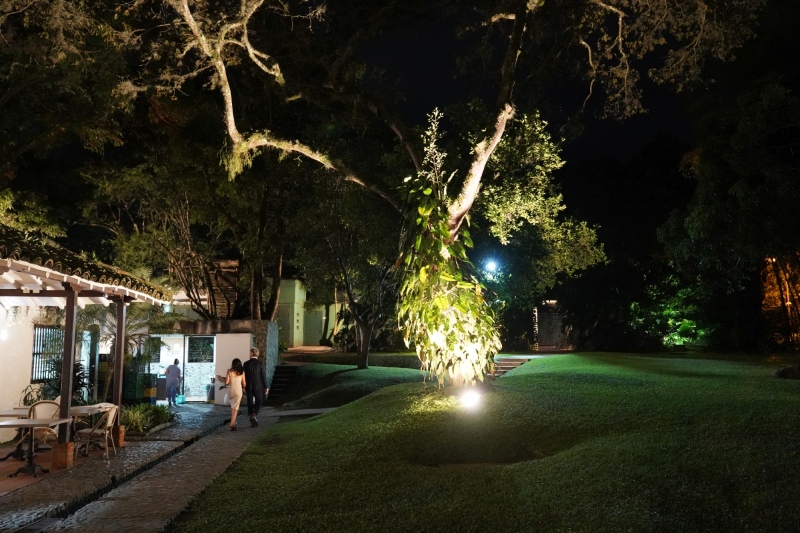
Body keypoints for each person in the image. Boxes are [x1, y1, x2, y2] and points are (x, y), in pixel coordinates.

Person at [243, 347, 269, 428]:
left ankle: (251, 419)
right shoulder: (260, 364)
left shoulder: (246, 364)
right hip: (258, 385)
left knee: (250, 403)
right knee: (259, 401)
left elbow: (243, 376)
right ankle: (254, 414)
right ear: (257, 354)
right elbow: (263, 376)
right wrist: (266, 387)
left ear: (251, 353)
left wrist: (243, 385)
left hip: (248, 386)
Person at [217, 358, 246, 431]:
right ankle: (232, 424)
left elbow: (226, 382)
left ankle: (234, 422)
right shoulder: (242, 372)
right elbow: (244, 384)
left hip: (231, 391)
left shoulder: (229, 371)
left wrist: (221, 378)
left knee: (233, 407)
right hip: (238, 391)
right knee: (235, 408)